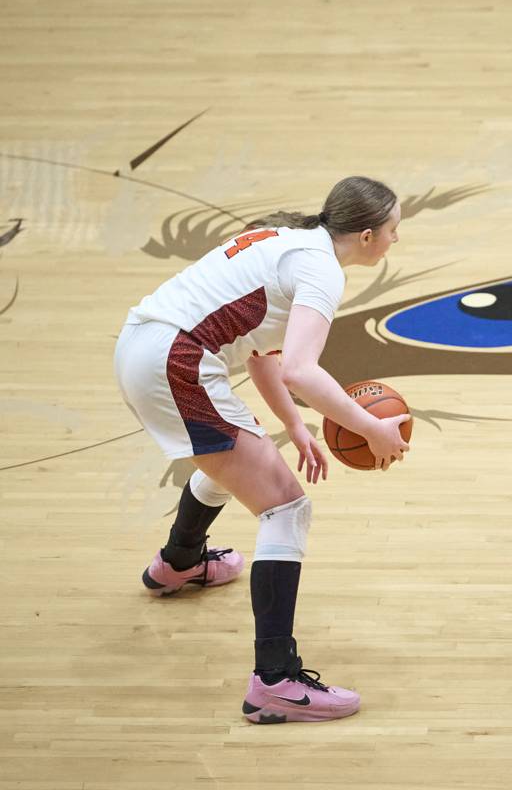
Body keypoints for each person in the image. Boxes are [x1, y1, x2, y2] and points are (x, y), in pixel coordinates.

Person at [114, 176, 411, 723]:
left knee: (236, 457)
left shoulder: (291, 241)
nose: (397, 239)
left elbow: (262, 357)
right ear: (367, 235)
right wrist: (370, 427)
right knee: (286, 507)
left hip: (144, 347)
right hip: (177, 362)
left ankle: (177, 565)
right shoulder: (320, 270)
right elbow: (301, 369)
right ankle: (275, 680)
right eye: (395, 229)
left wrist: (296, 427)